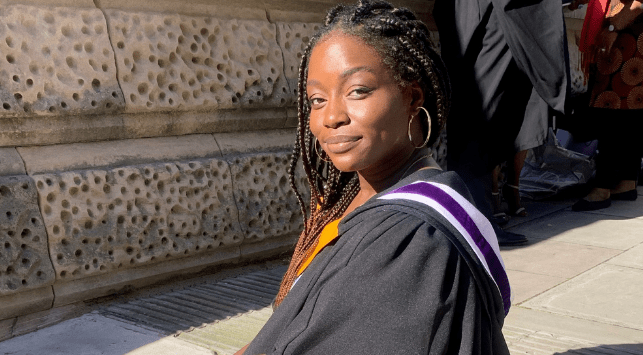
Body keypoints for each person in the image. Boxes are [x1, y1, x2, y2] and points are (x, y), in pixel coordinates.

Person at [237, 1, 511, 354]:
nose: (331, 116)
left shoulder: (409, 242)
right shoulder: (356, 193)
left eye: (358, 91)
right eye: (317, 99)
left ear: (412, 98)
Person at [433, 0, 570, 244]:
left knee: (474, 115)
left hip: (469, 14)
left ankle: (476, 218)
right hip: (489, 16)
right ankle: (476, 222)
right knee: (480, 117)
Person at [570, 0, 643, 211]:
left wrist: (612, 27)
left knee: (611, 110)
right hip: (633, 33)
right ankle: (627, 181)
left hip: (626, 33)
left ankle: (602, 188)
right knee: (631, 111)